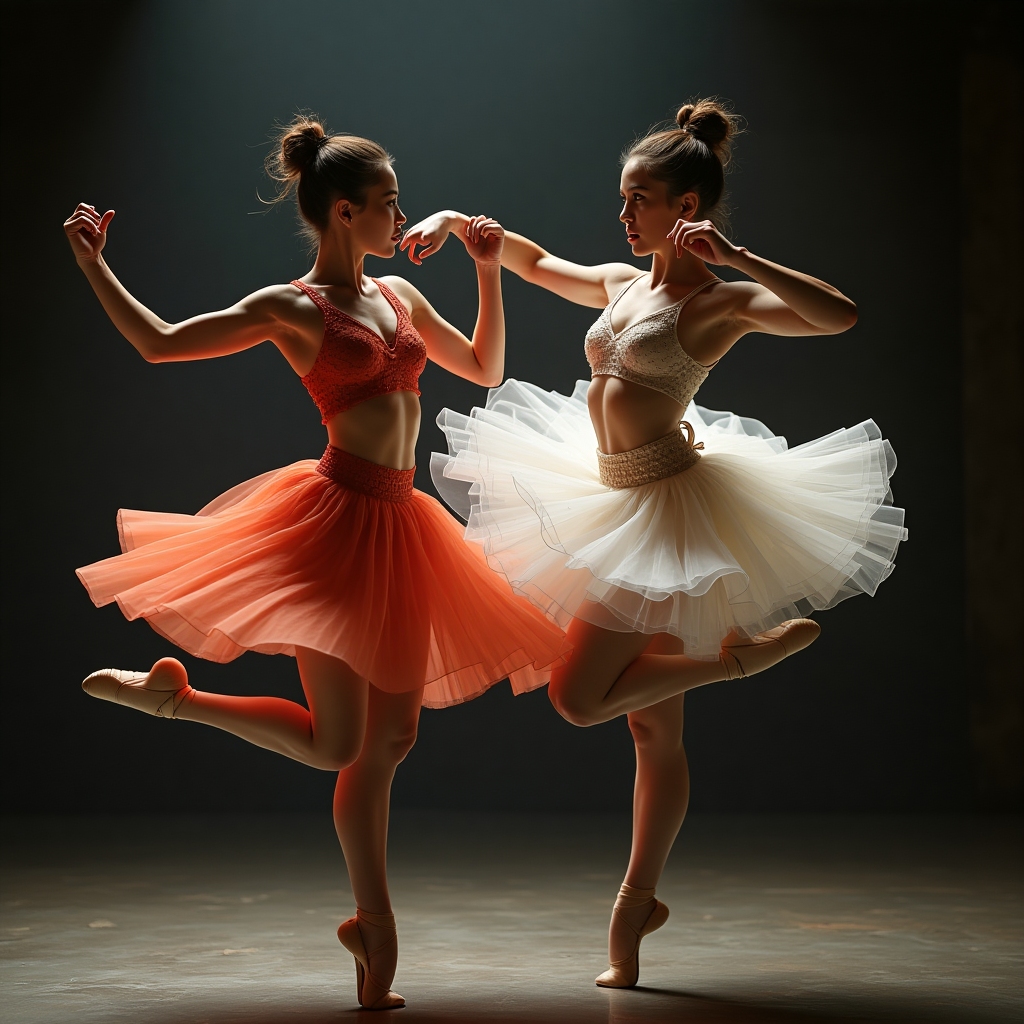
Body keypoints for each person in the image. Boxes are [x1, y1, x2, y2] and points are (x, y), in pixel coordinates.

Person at [65, 115, 569, 1010]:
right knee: (341, 741)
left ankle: (371, 930)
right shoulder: (290, 307)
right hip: (331, 526)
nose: (400, 215)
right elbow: (161, 343)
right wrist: (95, 265)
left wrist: (489, 271)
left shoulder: (402, 302)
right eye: (388, 203)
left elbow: (486, 368)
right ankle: (177, 699)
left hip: (404, 523)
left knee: (395, 740)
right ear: (344, 212)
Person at [406, 98, 907, 988]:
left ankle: (738, 662)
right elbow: (535, 262)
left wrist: (739, 255)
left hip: (666, 509)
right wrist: (461, 230)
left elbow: (840, 317)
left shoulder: (714, 305)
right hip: (603, 493)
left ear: (683, 206)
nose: (623, 215)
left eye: (638, 199)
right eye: (624, 198)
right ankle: (636, 915)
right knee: (650, 732)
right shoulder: (619, 283)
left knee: (578, 696)